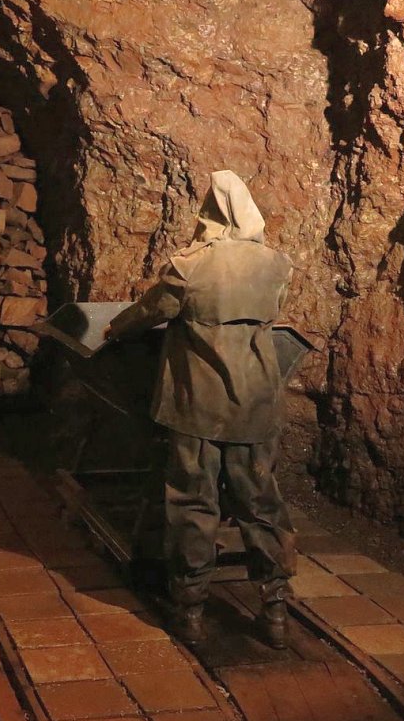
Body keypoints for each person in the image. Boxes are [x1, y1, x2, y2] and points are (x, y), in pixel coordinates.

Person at [104, 170, 296, 648]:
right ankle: (275, 609)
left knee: (193, 501)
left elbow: (152, 310)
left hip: (197, 405)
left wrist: (115, 329)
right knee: (261, 502)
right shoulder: (277, 264)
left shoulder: (190, 265)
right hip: (255, 404)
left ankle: (189, 608)